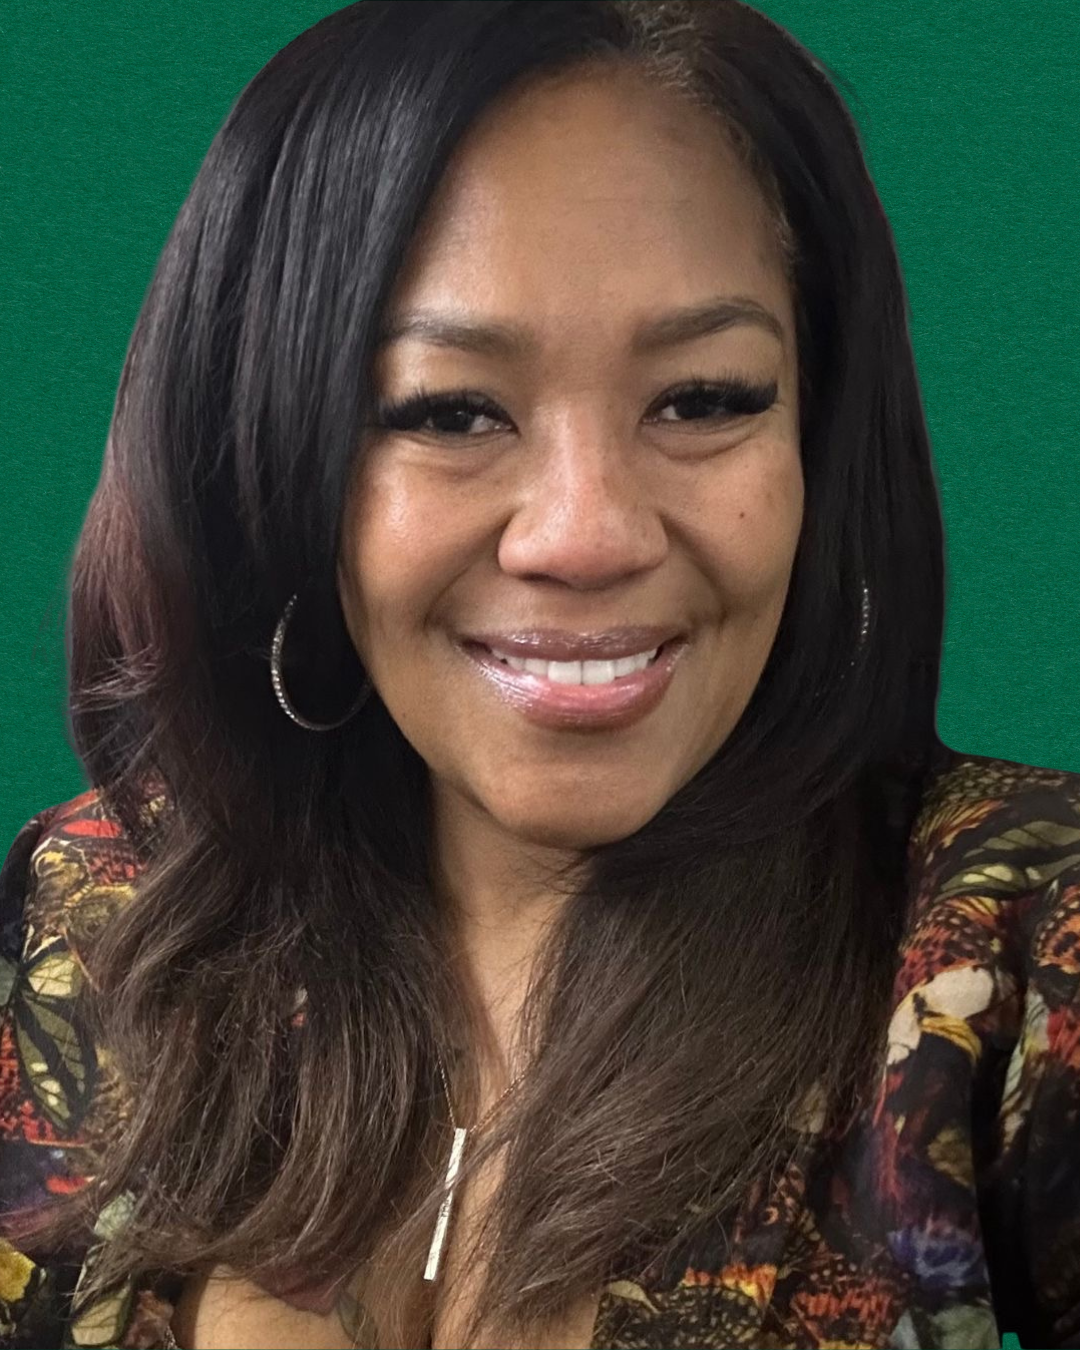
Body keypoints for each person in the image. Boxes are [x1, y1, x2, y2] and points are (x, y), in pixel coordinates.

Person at [1, 1, 1077, 1346]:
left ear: (822, 436)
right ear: (272, 461)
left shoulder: (1011, 942)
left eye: (703, 398)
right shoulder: (85, 925)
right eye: (450, 412)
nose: (588, 533)